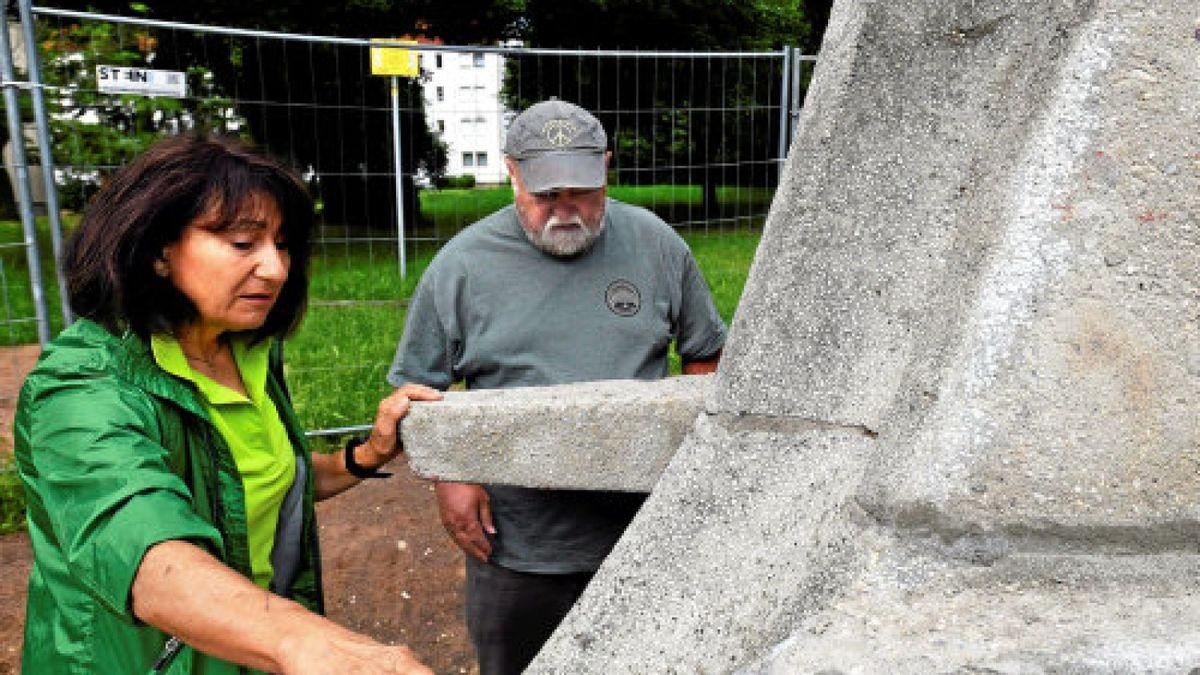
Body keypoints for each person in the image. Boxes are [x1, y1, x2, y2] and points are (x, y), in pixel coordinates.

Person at [14, 134, 439, 674]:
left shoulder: (247, 353)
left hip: (246, 655)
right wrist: (302, 641)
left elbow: (258, 486)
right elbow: (142, 550)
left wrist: (367, 455)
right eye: (243, 243)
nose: (276, 269)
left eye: (282, 244)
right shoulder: (82, 385)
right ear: (157, 251)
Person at [388, 99, 728, 674]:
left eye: (582, 191)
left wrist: (692, 475)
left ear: (607, 168)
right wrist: (451, 475)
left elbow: (706, 360)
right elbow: (418, 386)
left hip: (640, 535)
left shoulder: (656, 244)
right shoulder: (463, 266)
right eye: (546, 194)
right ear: (513, 173)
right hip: (517, 544)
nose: (566, 209)